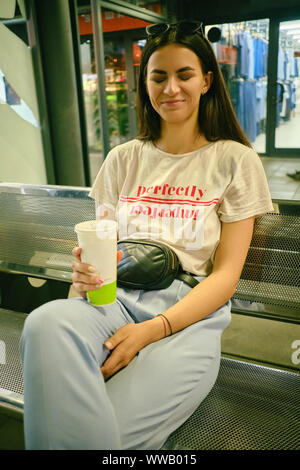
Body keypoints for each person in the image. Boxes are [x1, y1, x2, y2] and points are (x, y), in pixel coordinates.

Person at [20, 21, 274, 450]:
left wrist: (153, 330)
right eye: (158, 76)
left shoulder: (235, 160)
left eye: (184, 74)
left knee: (104, 438)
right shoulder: (123, 159)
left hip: (186, 318)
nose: (170, 88)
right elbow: (100, 247)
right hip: (112, 301)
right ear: (145, 84)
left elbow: (226, 277)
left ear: (207, 81)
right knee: (46, 323)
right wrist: (82, 276)